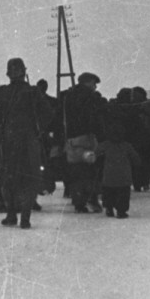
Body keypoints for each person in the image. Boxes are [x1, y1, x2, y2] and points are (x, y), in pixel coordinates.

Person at [0, 58, 54, 229]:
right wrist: (39, 131)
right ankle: (25, 218)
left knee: (9, 178)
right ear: (24, 72)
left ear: (8, 74)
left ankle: (10, 215)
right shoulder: (33, 92)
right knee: (29, 178)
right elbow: (48, 114)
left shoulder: (1, 93)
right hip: (30, 140)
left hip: (8, 141)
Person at [57, 71, 106, 213]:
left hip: (71, 139)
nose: (95, 86)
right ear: (88, 82)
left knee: (76, 171)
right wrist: (100, 135)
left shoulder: (67, 96)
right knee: (91, 170)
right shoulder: (90, 97)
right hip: (87, 138)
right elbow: (95, 118)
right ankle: (92, 199)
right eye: (94, 83)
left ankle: (78, 202)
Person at [94, 121, 141, 218]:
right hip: (124, 175)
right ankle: (121, 211)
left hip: (109, 174)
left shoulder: (105, 145)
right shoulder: (127, 146)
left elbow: (96, 153)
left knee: (108, 192)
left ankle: (109, 208)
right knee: (123, 194)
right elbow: (135, 158)